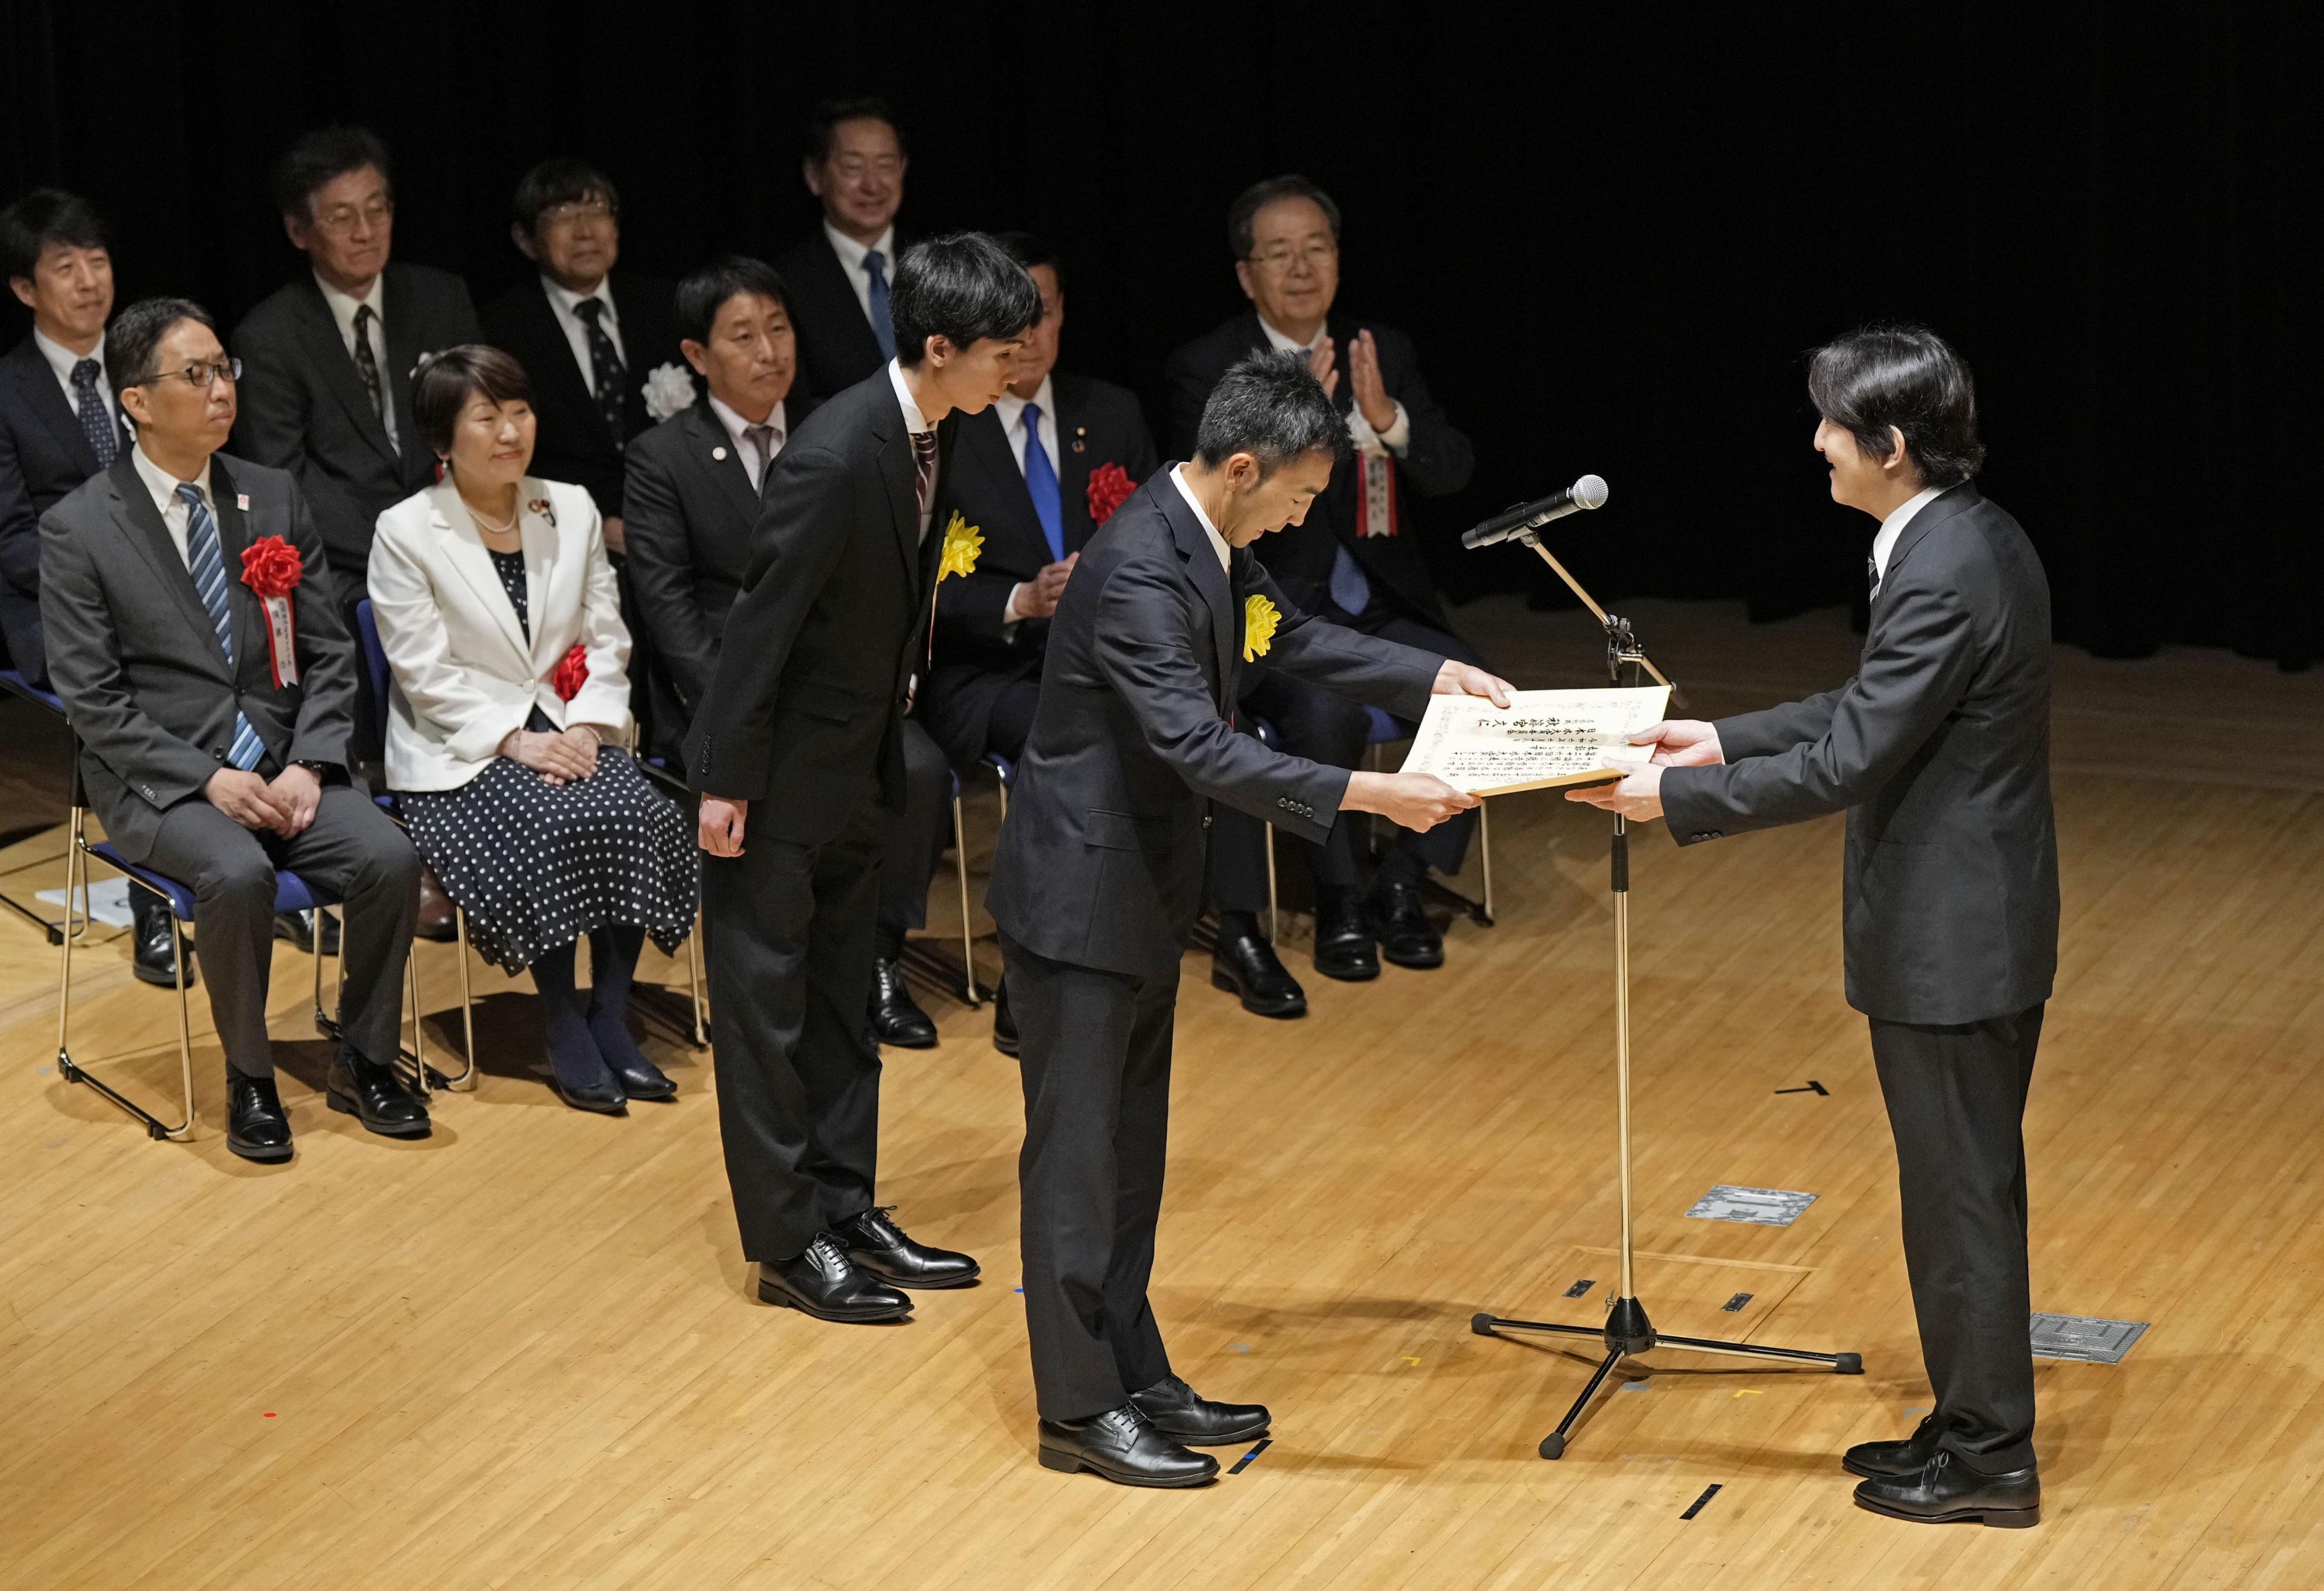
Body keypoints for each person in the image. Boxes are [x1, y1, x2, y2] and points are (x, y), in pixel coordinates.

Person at [987, 349, 1510, 1486]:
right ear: (1238, 466)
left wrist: (1430, 677)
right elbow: (1196, 744)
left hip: (1134, 890)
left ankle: (1135, 1367)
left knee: (1130, 1162)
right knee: (1078, 1167)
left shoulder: (1209, 542)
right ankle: (1078, 1410)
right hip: (1080, 903)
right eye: (1299, 494)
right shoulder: (1137, 573)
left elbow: (1296, 639)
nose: (1301, 513)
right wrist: (1376, 793)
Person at [1574, 325, 2056, 1529]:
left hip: (1953, 939)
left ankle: (1991, 1456)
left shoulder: (1942, 562)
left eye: (1833, 425)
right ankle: (1965, 1421)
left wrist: (1666, 798)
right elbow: (1869, 700)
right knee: (1958, 1189)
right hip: (1966, 922)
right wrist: (1719, 737)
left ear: (1889, 447)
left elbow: (1854, 754)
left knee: (1960, 1196)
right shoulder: (1955, 533)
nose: (1817, 443)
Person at [687, 233, 1037, 1324]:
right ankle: (789, 1239)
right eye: (1000, 354)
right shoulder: (839, 454)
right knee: (766, 1011)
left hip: (858, 765)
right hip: (780, 776)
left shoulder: (930, 431)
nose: (1015, 372)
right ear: (939, 347)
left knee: (843, 999)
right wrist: (725, 781)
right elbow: (759, 629)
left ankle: (845, 1204)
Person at [40, 297, 425, 1162]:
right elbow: (92, 700)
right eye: (196, 374)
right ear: (136, 400)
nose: (221, 390)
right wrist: (209, 779)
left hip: (286, 766)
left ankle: (363, 1058)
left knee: (389, 858)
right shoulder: (80, 528)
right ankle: (249, 1076)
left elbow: (328, 652)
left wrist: (312, 762)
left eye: (225, 371)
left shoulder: (271, 494)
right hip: (167, 780)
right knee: (238, 872)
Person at [1165, 176, 1481, 1016]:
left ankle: (1403, 882)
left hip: (1382, 601)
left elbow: (1451, 471)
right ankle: (1339, 893)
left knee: (1482, 701)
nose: (1302, 269)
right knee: (1323, 714)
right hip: (1284, 611)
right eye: (1280, 253)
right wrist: (1296, 420)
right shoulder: (1210, 365)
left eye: (1318, 249)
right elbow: (1214, 510)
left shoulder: (1383, 349)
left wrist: (1391, 421)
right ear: (1247, 274)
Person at [624, 255, 951, 1049]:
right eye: (743, 335)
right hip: (727, 712)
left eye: (779, 328)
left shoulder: (836, 426)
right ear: (698, 357)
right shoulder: (662, 458)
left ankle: (878, 957)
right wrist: (748, 721)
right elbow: (674, 615)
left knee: (920, 768)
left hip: (839, 697)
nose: (769, 350)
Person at [368, 346, 697, 1115]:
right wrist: (514, 739)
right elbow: (422, 671)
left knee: (640, 812)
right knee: (551, 822)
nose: (511, 431)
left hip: (572, 726)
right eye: (487, 417)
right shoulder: (407, 530)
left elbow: (606, 635)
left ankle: (610, 1014)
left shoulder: (570, 506)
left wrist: (586, 727)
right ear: (444, 441)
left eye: (519, 412)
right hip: (462, 748)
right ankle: (562, 1020)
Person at [922, 231, 1158, 1051]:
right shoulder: (948, 425)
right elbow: (916, 585)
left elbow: (1167, 542)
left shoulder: (1112, 410)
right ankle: (1035, 970)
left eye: (1044, 312)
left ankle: (1189, 935)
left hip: (1106, 662)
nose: (1029, 335)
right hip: (990, 670)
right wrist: (1021, 599)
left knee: (1188, 720)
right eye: (1011, 318)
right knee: (1073, 740)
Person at [0, 190, 186, 988]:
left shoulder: (152, 362)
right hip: (61, 606)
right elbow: (13, 540)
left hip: (175, 586)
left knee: (253, 645)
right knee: (131, 688)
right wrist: (120, 583)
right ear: (24, 289)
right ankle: (152, 893)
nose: (89, 281)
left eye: (99, 261)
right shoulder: (6, 390)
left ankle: (249, 860)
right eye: (64, 267)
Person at [233, 126, 481, 594]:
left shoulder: (441, 299)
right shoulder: (268, 336)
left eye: (377, 210)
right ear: (298, 231)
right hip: (349, 565)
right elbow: (285, 473)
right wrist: (396, 552)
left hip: (460, 539)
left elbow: (480, 421)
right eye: (341, 218)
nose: (365, 233)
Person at [479, 159, 686, 555]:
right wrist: (588, 523)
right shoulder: (499, 330)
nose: (586, 232)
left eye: (597, 212)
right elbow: (502, 459)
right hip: (559, 543)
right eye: (563, 216)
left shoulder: (666, 309)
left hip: (676, 532)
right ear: (525, 240)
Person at [774, 98, 909, 402]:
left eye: (886, 165)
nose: (872, 185)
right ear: (814, 175)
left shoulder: (940, 264)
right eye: (853, 167)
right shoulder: (785, 284)